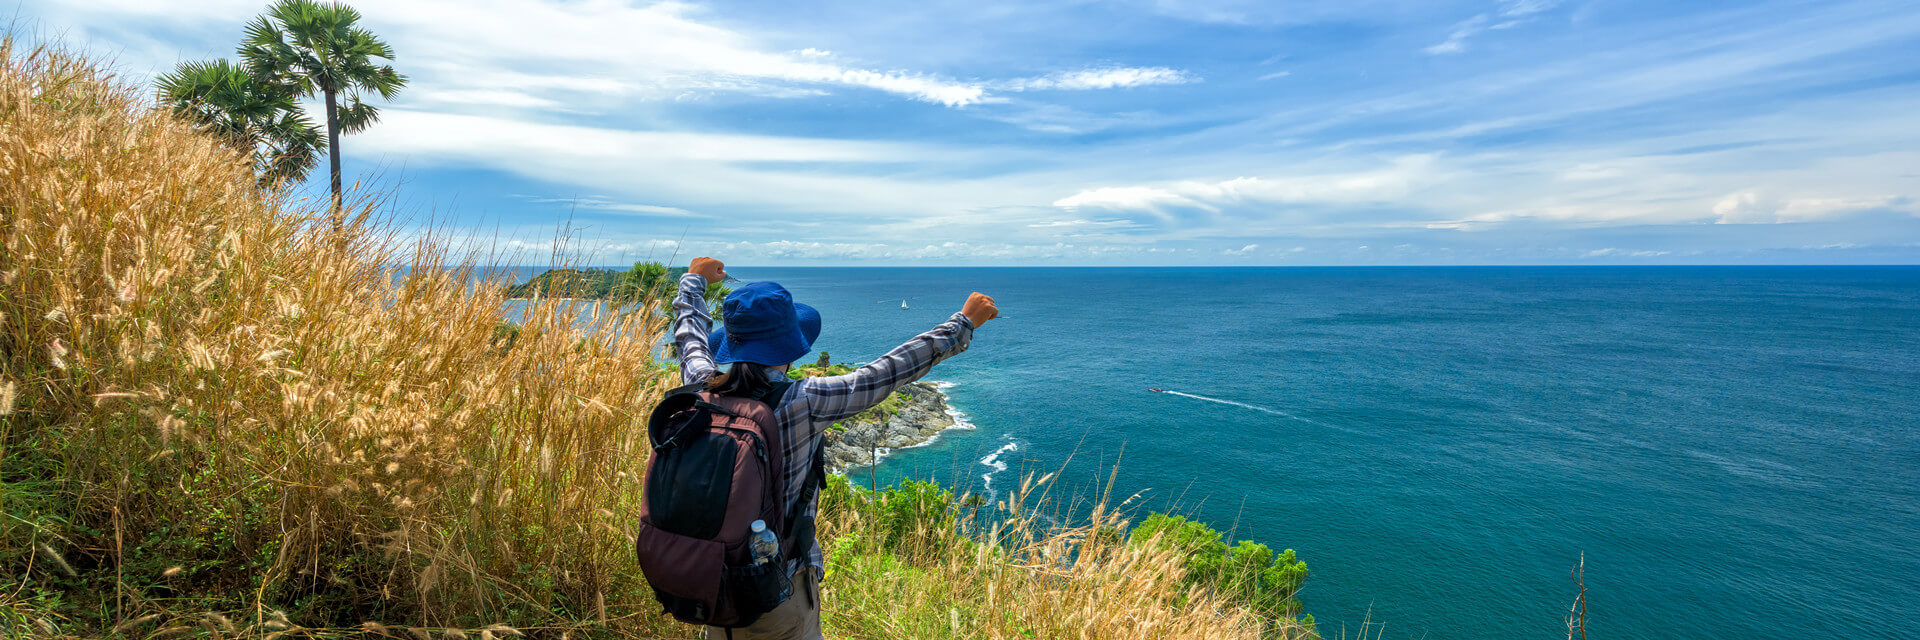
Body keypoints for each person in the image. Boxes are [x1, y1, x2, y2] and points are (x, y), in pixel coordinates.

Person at [673, 256, 997, 640]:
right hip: (776, 592)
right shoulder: (803, 402)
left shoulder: (701, 385)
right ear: (789, 345)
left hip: (711, 582)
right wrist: (962, 323)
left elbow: (690, 335)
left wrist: (693, 281)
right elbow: (888, 371)